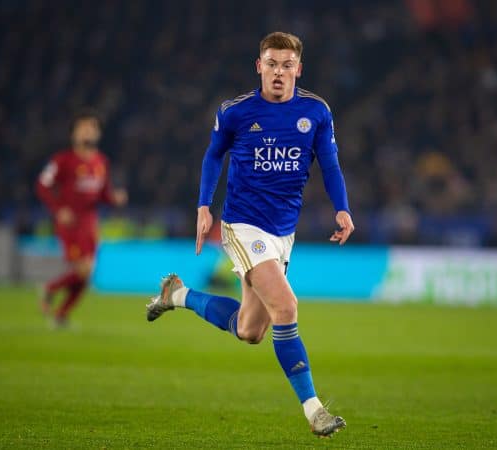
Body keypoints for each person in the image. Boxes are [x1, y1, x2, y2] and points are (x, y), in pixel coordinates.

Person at [146, 32, 354, 437]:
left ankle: (177, 295)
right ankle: (315, 412)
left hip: (283, 232)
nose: (279, 72)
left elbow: (329, 164)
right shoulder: (236, 111)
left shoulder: (316, 111)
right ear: (259, 66)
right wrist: (204, 205)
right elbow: (213, 155)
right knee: (287, 308)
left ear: (299, 68)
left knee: (250, 330)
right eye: (272, 64)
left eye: (287, 65)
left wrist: (342, 207)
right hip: (242, 225)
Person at [36, 110, 127, 326]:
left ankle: (61, 315)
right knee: (84, 269)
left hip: (89, 222)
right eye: (84, 127)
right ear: (74, 134)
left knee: (86, 273)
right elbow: (43, 185)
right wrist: (59, 209)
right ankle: (49, 289)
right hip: (70, 222)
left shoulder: (101, 162)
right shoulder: (62, 160)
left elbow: (102, 194)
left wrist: (114, 198)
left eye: (92, 127)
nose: (88, 131)